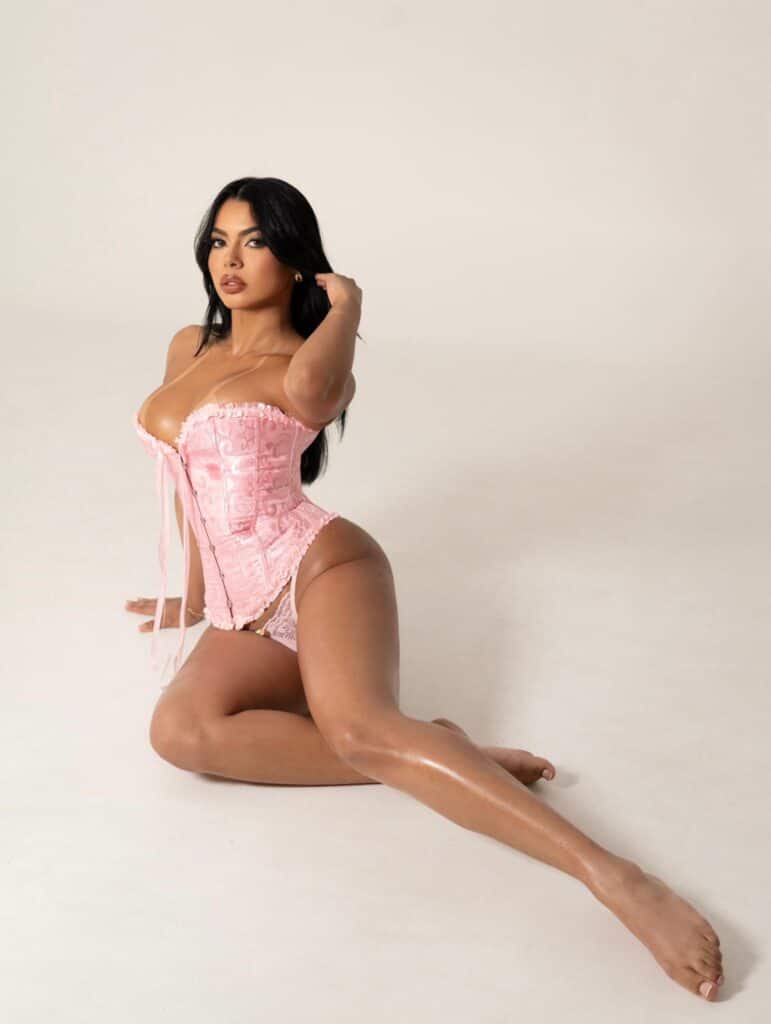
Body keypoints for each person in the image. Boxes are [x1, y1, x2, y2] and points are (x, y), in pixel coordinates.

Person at [125, 177, 723, 1002]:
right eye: (219, 241)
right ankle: (447, 757)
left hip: (323, 567)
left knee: (361, 730)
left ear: (295, 261)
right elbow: (190, 482)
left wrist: (347, 308)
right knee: (181, 734)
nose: (230, 260)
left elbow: (315, 395)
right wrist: (194, 598)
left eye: (255, 242)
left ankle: (616, 878)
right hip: (243, 603)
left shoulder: (307, 366)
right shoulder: (189, 345)